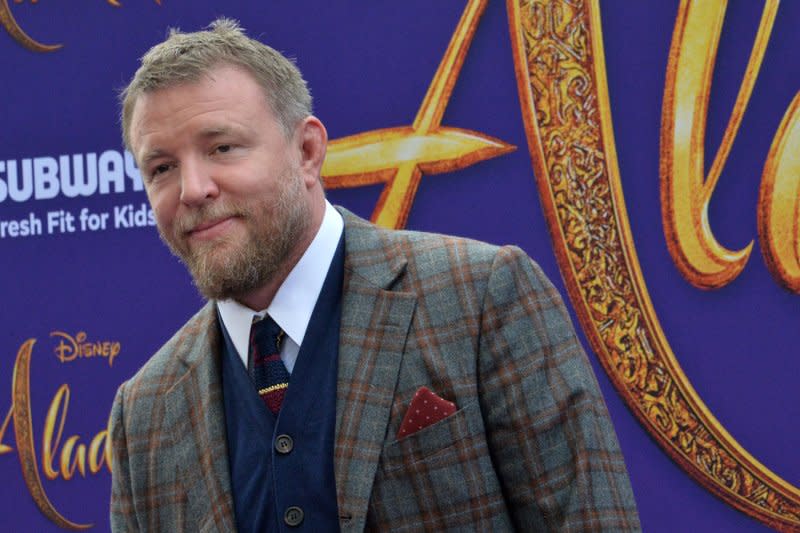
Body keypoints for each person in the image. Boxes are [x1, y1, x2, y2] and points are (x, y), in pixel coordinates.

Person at [109, 18, 641, 532]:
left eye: (221, 148)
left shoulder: (483, 298)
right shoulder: (144, 414)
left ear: (307, 152)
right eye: (162, 168)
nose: (192, 188)